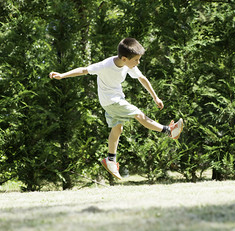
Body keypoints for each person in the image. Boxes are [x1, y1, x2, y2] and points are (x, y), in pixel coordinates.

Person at [49, 37, 183, 180]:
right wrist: (63, 75)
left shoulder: (128, 65)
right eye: (136, 60)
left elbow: (142, 78)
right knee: (139, 114)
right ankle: (169, 131)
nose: (138, 63)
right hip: (112, 101)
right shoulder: (105, 65)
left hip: (113, 100)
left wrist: (155, 97)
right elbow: (84, 70)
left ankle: (110, 160)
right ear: (124, 58)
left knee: (117, 128)